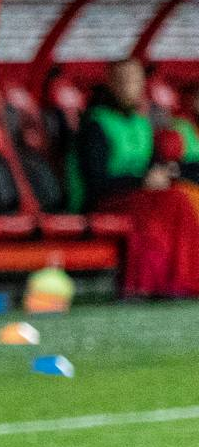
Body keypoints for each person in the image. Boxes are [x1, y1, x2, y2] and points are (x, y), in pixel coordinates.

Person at [71, 58, 199, 297]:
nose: (131, 86)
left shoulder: (141, 124)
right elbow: (96, 182)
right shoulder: (96, 124)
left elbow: (154, 167)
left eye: (135, 80)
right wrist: (141, 182)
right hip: (107, 200)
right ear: (111, 84)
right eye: (124, 80)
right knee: (170, 203)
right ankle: (143, 284)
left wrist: (160, 176)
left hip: (143, 196)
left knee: (180, 198)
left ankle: (182, 281)